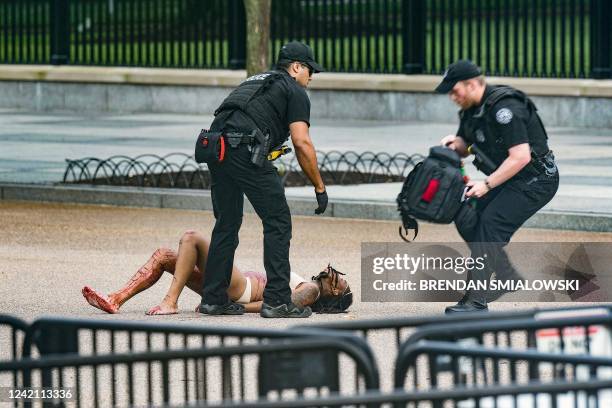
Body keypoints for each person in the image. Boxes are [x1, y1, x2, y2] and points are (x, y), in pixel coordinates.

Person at [200, 41, 328, 318]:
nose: (311, 78)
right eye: (310, 71)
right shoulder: (294, 90)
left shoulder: (258, 81)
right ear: (296, 67)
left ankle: (213, 299)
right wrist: (319, 186)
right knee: (278, 221)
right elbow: (302, 142)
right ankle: (278, 301)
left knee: (227, 223)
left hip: (215, 147)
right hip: (244, 151)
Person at [436, 60, 559, 314]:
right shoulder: (471, 109)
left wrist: (487, 185)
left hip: (536, 180)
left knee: (490, 225)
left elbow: (521, 156)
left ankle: (475, 302)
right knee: (466, 215)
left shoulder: (505, 108)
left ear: (471, 84)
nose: (452, 96)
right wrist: (454, 144)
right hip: (511, 177)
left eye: (454, 90)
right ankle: (505, 275)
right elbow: (465, 143)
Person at [82, 230, 352, 315]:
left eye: (339, 278)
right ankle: (116, 298)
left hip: (239, 289)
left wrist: (234, 306)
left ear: (335, 292)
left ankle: (171, 302)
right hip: (233, 288)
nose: (332, 272)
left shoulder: (312, 289)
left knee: (192, 238)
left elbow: (283, 302)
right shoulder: (309, 284)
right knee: (165, 257)